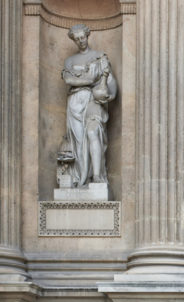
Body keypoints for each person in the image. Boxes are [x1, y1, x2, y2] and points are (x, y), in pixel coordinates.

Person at [61, 23, 118, 187]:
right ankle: (80, 178)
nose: (80, 41)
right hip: (74, 103)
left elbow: (110, 80)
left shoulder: (100, 57)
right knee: (79, 142)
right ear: (74, 41)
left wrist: (111, 94)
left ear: (87, 36)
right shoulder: (70, 61)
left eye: (82, 37)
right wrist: (89, 80)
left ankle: (97, 176)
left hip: (93, 100)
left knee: (93, 132)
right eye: (77, 39)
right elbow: (68, 79)